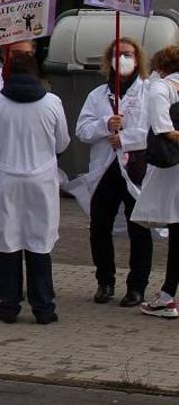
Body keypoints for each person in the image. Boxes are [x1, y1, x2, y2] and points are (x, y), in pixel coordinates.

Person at [0, 51, 70, 324]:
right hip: (40, 182)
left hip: (4, 181)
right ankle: (44, 308)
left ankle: (8, 307)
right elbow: (62, 143)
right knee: (39, 244)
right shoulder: (52, 103)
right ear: (36, 73)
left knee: (6, 243)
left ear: (8, 73)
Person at [75, 38, 151, 307]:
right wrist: (106, 124)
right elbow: (82, 131)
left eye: (129, 54)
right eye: (118, 54)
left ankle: (137, 286)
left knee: (139, 227)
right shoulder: (97, 95)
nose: (124, 59)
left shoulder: (149, 91)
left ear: (138, 58)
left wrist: (127, 138)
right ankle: (105, 281)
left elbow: (158, 130)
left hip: (134, 169)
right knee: (99, 226)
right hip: (105, 168)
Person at [132, 44, 179, 319]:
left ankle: (167, 297)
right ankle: (167, 294)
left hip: (171, 170)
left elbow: (162, 128)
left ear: (159, 67)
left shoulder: (160, 88)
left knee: (176, 230)